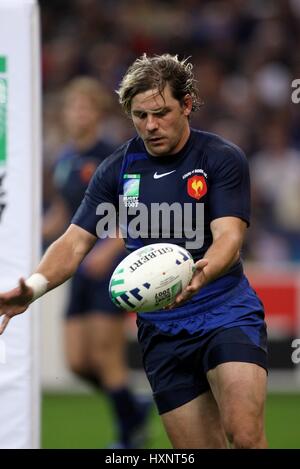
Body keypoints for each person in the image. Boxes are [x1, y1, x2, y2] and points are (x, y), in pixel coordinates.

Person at [0, 54, 268, 449]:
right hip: (162, 331)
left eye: (161, 113)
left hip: (224, 310)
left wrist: (203, 272)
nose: (150, 125)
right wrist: (34, 287)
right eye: (140, 115)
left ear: (188, 105)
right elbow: (75, 241)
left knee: (243, 435)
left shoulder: (220, 158)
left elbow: (228, 236)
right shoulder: (118, 168)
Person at [42, 77, 151, 449]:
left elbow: (131, 212)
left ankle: (128, 437)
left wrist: (107, 250)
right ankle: (132, 407)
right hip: (78, 266)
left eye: (85, 107)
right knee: (76, 361)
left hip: (109, 265)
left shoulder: (112, 155)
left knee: (106, 355)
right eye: (73, 107)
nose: (78, 114)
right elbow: (64, 211)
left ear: (98, 113)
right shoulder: (65, 158)